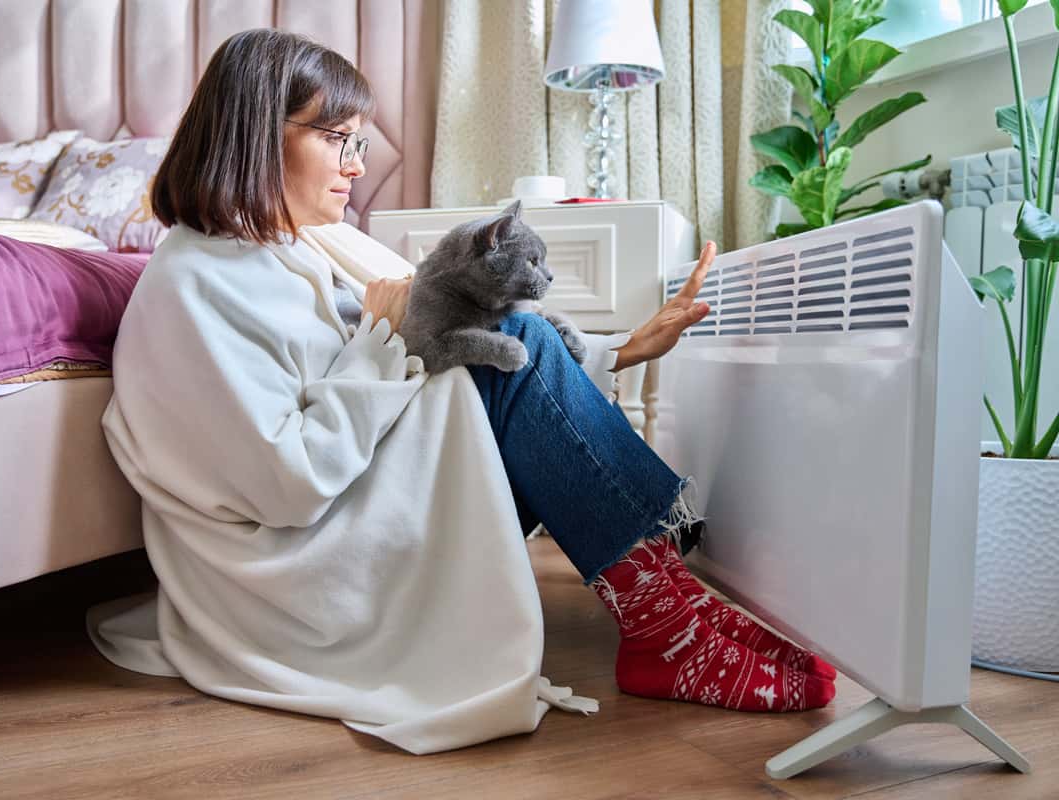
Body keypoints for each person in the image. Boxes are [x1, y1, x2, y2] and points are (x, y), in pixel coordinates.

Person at [87, 29, 836, 755]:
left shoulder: (289, 251)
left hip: (367, 507)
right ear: (255, 134)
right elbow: (290, 485)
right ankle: (668, 619)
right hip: (305, 572)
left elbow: (425, 346)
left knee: (514, 337)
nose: (356, 165)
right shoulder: (195, 284)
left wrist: (623, 349)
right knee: (516, 349)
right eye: (337, 139)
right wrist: (381, 346)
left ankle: (672, 609)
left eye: (360, 142)